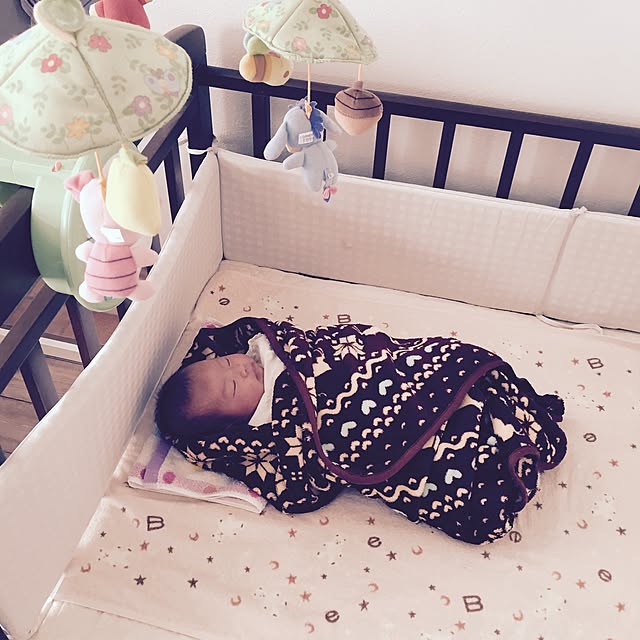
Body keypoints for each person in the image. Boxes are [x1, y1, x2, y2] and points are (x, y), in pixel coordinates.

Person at [155, 317, 567, 545]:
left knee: (444, 366)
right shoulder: (269, 426)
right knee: (442, 461)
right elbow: (300, 482)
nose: (241, 370)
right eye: (232, 387)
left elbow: (344, 348)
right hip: (366, 424)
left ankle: (482, 404)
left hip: (394, 373)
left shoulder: (269, 347)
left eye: (227, 363)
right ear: (234, 424)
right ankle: (484, 435)